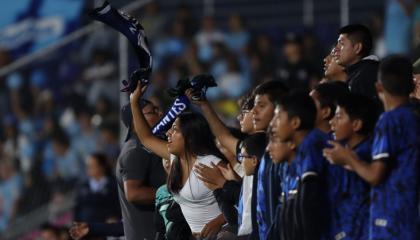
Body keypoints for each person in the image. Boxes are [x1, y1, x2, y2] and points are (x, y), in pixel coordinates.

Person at [323, 55, 420, 239]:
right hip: (411, 214)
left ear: (378, 87)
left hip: (390, 218)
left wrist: (348, 157)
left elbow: (375, 175)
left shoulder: (389, 120)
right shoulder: (414, 117)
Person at [130, 83, 226, 239]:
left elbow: (242, 198)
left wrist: (220, 220)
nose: (168, 133)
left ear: (189, 136)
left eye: (174, 129)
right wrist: (134, 101)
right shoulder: (176, 159)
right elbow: (146, 138)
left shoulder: (210, 163)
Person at [273, 91, 330, 239]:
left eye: (278, 117)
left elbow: (310, 202)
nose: (273, 124)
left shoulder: (313, 144)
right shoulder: (302, 150)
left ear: (295, 122)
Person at [323, 93, 378, 239]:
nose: (331, 122)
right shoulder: (342, 154)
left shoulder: (366, 155)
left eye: (339, 117)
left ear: (356, 124)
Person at [334, 24, 379, 100]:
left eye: (341, 44)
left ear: (357, 48)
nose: (335, 49)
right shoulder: (358, 73)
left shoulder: (364, 76)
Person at [74, 152, 120, 223]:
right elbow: (77, 208)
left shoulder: (113, 184)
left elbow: (118, 205)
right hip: (86, 227)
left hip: (108, 226)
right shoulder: (82, 186)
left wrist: (115, 217)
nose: (88, 169)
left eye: (91, 166)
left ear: (102, 167)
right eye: (87, 166)